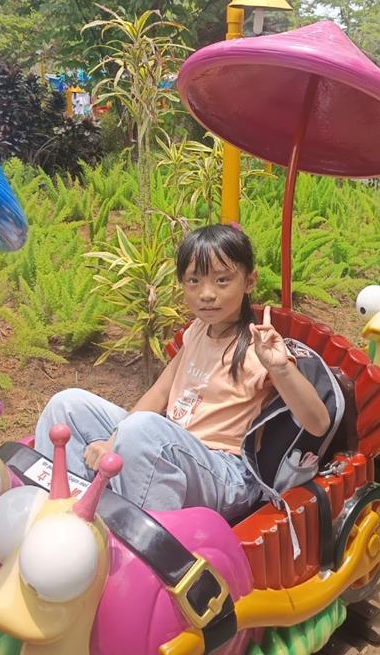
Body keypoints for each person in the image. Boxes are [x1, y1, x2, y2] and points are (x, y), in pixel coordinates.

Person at [35, 223, 329, 520]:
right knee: (67, 404)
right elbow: (160, 392)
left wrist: (280, 368)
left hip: (224, 473)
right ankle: (60, 512)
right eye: (194, 281)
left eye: (222, 280)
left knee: (142, 430)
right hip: (170, 446)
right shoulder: (198, 329)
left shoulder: (259, 349)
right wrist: (114, 439)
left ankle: (137, 535)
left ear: (249, 281)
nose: (207, 294)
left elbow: (318, 423)